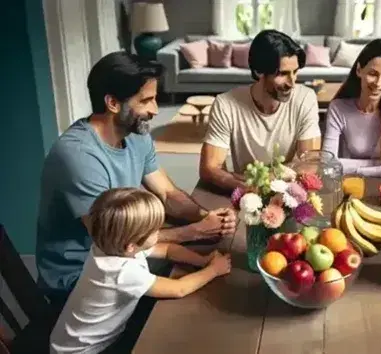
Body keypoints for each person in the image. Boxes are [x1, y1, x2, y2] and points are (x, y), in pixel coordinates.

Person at [36, 51, 237, 312]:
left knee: (205, 280)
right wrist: (193, 232)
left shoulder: (136, 134)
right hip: (79, 279)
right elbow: (112, 242)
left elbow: (167, 194)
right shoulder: (77, 156)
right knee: (189, 310)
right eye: (147, 100)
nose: (155, 110)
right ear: (112, 103)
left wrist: (206, 217)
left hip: (125, 259)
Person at [50, 188, 232, 354]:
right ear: (130, 246)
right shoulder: (120, 272)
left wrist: (202, 260)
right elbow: (179, 289)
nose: (159, 232)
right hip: (84, 350)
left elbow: (168, 250)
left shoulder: (110, 245)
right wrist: (214, 270)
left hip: (78, 338)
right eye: (154, 231)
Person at [200, 29, 322, 191]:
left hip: (290, 192)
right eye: (283, 73)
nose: (292, 82)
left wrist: (255, 178)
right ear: (258, 71)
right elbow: (209, 169)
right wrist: (251, 186)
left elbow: (310, 165)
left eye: (295, 72)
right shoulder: (225, 104)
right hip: (245, 195)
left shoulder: (306, 98)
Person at [321, 38, 381, 177]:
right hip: (352, 185)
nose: (379, 83)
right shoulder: (338, 108)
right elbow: (327, 164)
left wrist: (356, 170)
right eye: (373, 74)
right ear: (359, 70)